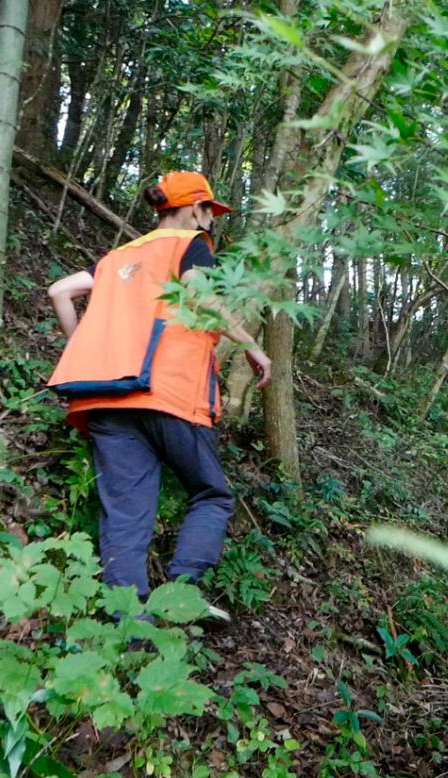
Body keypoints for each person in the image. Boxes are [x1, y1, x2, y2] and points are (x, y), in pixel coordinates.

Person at [45, 171, 272, 607]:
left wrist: (81, 347)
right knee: (212, 495)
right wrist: (250, 345)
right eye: (209, 212)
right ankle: (179, 596)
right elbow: (200, 296)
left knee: (125, 518)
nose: (211, 223)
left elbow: (60, 291)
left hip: (105, 397)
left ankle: (131, 628)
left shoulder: (118, 256)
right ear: (192, 209)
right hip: (170, 391)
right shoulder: (192, 246)